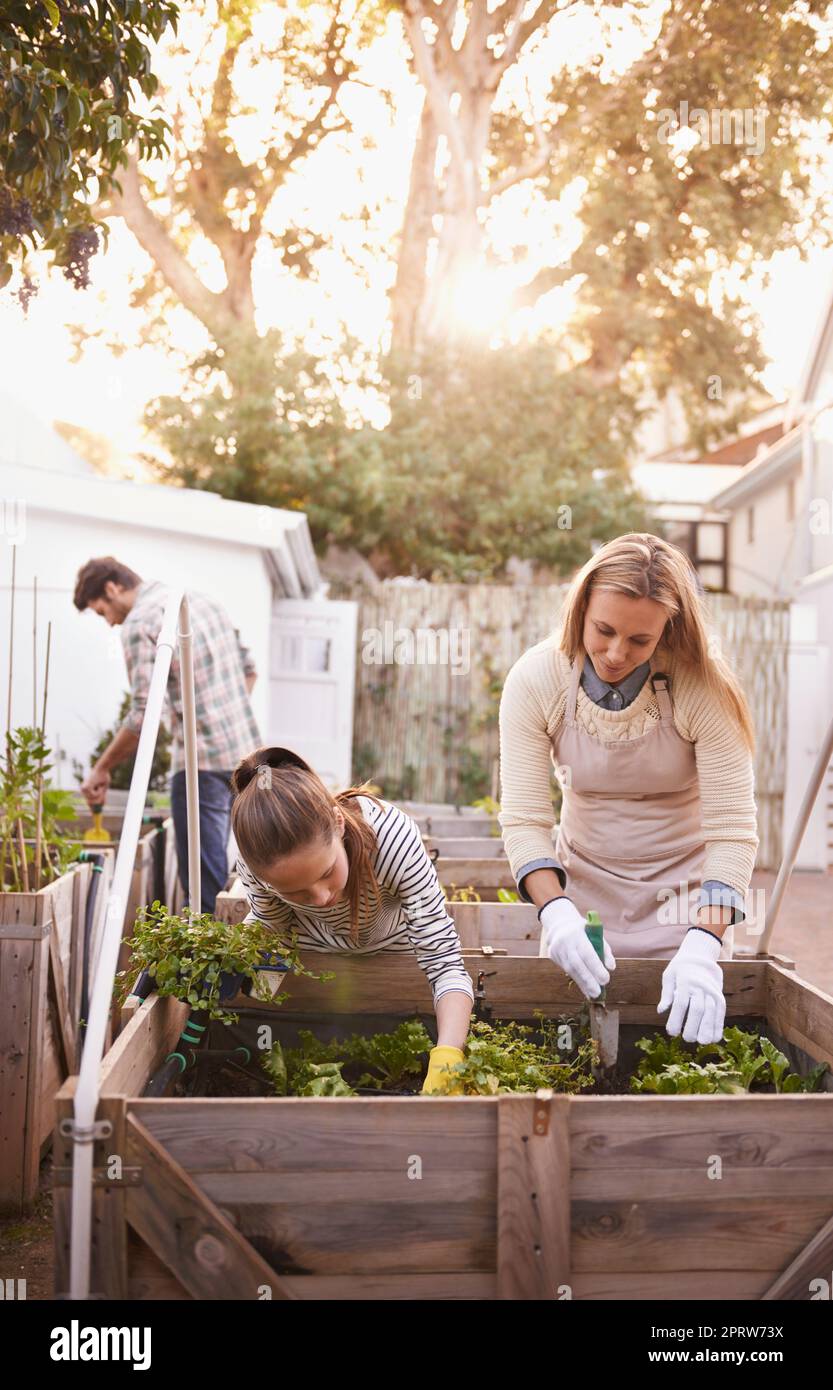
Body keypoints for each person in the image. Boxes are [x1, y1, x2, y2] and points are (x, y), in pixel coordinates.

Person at [498, 533, 759, 1046]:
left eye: (641, 641)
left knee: (683, 1052)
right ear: (581, 609)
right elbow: (526, 821)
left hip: (685, 902)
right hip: (583, 903)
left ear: (670, 629)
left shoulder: (702, 687)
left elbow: (733, 833)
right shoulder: (537, 680)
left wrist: (704, 942)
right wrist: (555, 912)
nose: (617, 653)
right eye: (604, 630)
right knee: (576, 1051)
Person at [230, 746, 474, 1095]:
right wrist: (250, 990)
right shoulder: (255, 865)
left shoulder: (395, 843)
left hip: (395, 954)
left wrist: (448, 1055)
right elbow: (275, 932)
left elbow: (444, 962)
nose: (320, 898)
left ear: (339, 823)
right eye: (295, 892)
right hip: (310, 959)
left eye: (327, 873)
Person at [74, 556, 262, 914]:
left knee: (203, 892)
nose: (111, 623)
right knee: (254, 874)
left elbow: (145, 715)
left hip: (200, 766)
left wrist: (101, 768)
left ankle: (209, 968)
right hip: (248, 758)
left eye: (103, 612)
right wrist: (218, 712)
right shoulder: (203, 602)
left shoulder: (141, 623)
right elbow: (249, 670)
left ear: (113, 588)